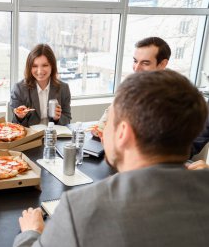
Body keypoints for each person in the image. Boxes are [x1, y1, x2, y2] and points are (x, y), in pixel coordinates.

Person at [13, 70, 209, 247]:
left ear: (123, 133)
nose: (103, 129)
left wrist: (31, 233)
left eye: (109, 123)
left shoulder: (81, 209)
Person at [90, 36, 171, 137]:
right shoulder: (131, 86)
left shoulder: (176, 94)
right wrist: (99, 129)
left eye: (145, 63)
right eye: (135, 61)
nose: (137, 68)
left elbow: (193, 140)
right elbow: (112, 111)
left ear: (162, 64)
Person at [10, 44, 72, 127]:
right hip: (31, 138)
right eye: (35, 66)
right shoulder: (19, 89)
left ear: (52, 66)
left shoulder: (63, 88)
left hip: (54, 136)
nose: (40, 71)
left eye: (45, 65)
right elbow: (14, 125)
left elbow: (67, 119)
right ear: (29, 67)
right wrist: (20, 117)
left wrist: (57, 118)